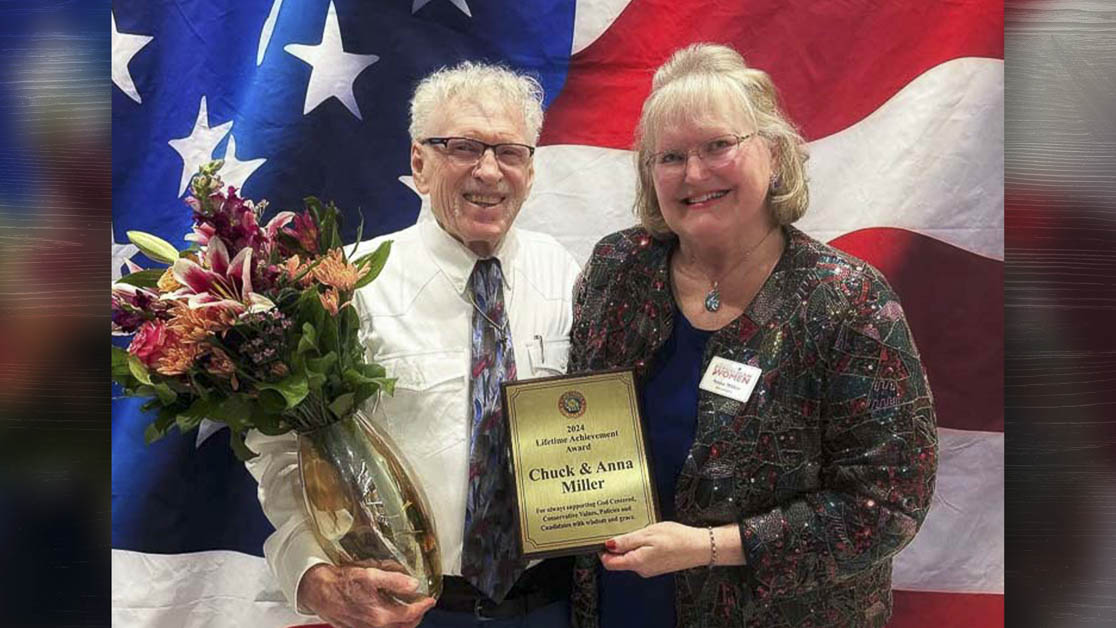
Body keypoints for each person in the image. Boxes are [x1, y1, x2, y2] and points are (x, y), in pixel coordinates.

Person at [566, 43, 938, 628]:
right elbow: (576, 427)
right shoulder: (618, 268)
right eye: (670, 156)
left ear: (775, 152)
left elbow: (888, 505)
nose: (694, 174)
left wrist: (709, 546)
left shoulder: (847, 300)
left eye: (718, 145)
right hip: (622, 605)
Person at [245, 61, 581, 628]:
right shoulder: (349, 286)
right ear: (419, 163)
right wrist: (311, 574)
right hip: (409, 609)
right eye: (464, 148)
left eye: (510, 152)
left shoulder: (564, 273)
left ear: (530, 169)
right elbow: (283, 454)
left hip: (552, 605)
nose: (489, 171)